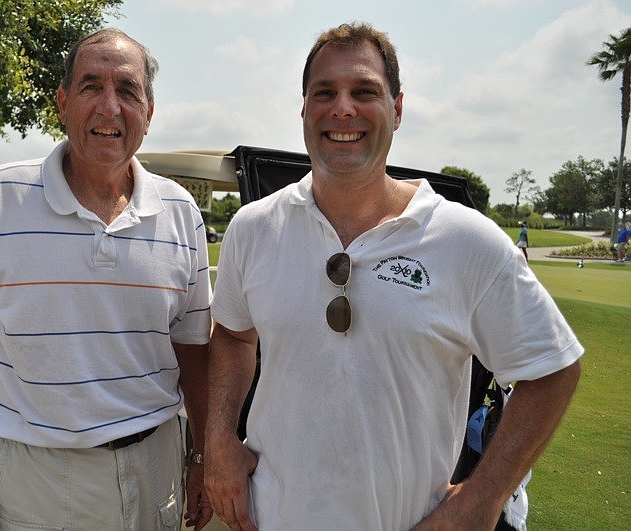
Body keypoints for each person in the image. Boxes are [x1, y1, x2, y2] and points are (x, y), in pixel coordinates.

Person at [204, 22, 583, 530]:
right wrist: (219, 441)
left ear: (397, 109)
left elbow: (553, 369)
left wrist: (483, 497)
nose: (343, 108)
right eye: (324, 93)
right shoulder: (253, 227)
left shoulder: (466, 240)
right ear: (304, 108)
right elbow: (232, 335)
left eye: (364, 92)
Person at [0, 28, 213, 531]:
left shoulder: (180, 211)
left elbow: (193, 349)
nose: (109, 106)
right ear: (63, 103)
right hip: (37, 479)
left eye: (127, 90)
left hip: (156, 467)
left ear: (149, 113)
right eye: (91, 86)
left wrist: (202, 457)